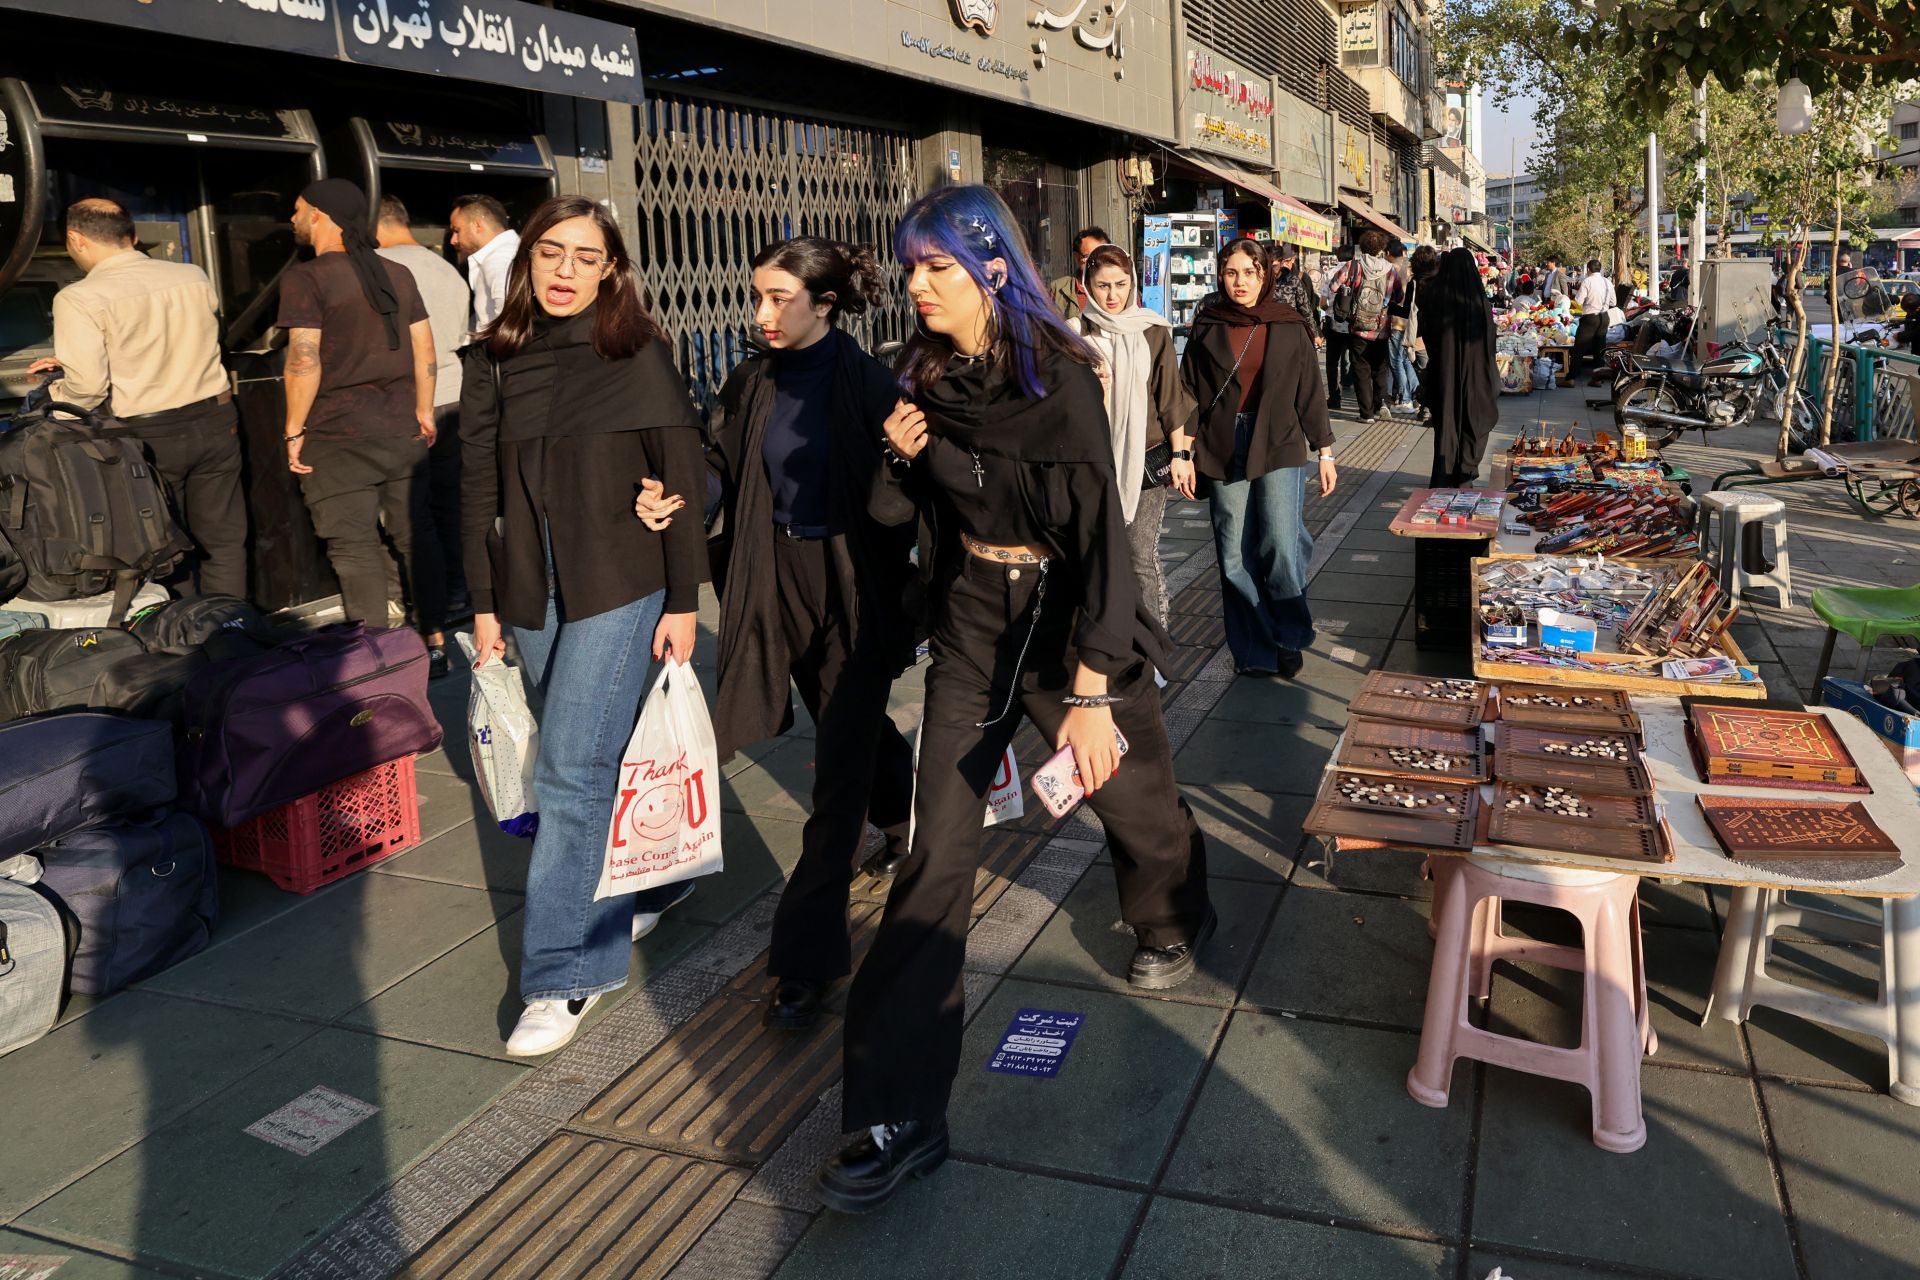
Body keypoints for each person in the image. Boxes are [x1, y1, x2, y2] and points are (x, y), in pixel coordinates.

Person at [818, 185, 1213, 1212]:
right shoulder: (923, 374)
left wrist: (1089, 690)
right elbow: (899, 509)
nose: (915, 287)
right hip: (970, 620)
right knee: (935, 848)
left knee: (1136, 797)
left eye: (935, 268)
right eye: (909, 269)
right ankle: (899, 1108)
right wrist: (904, 455)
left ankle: (1170, 910)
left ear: (992, 267)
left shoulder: (1066, 383)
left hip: (1069, 615)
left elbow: (1104, 549)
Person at [634, 237, 920, 1031]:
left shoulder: (867, 380)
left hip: (851, 588)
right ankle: (906, 809)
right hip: (769, 580)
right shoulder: (751, 377)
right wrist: (682, 496)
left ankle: (805, 959)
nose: (760, 313)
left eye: (778, 298)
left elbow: (908, 488)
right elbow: (719, 460)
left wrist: (900, 462)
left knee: (833, 783)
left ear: (824, 305)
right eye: (755, 296)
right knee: (850, 726)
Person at [461, 195, 710, 1057]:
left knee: (570, 771)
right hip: (529, 591)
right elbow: (477, 491)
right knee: (583, 766)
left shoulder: (637, 353)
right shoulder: (494, 359)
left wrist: (684, 599)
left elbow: (684, 476)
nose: (566, 271)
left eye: (586, 257)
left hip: (621, 583)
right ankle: (652, 882)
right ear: (527, 258)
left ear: (612, 270)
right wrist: (484, 607)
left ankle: (566, 973)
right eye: (551, 253)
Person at [29, 198, 248, 600]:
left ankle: (186, 644)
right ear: (130, 236)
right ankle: (232, 633)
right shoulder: (193, 275)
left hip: (149, 435)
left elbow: (89, 389)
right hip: (216, 421)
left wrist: (53, 389)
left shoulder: (79, 297)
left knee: (163, 545)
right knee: (224, 541)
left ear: (75, 239)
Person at [278, 179, 448, 673]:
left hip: (336, 434)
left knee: (354, 549)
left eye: (298, 209)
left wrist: (294, 427)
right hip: (401, 430)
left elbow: (303, 359)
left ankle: (378, 657)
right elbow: (426, 348)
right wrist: (424, 408)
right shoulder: (397, 273)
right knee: (418, 537)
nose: (293, 219)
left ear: (321, 215)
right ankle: (435, 642)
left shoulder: (306, 279)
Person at [1181, 237, 1337, 679]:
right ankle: (1253, 647)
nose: (1240, 282)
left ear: (1266, 273)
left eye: (1249, 273)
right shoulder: (1208, 323)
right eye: (1231, 273)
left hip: (1279, 440)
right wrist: (1183, 450)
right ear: (1220, 276)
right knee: (1233, 552)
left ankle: (1289, 634)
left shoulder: (1287, 323)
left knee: (1281, 546)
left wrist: (1325, 451)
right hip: (1222, 443)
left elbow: (1310, 390)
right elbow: (1188, 392)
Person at [1075, 242, 1196, 627]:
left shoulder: (1153, 329)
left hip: (1146, 459)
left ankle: (1154, 643)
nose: (1112, 295)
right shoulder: (1073, 333)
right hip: (1091, 461)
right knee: (1096, 553)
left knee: (1139, 553)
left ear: (1133, 285)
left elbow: (1170, 397)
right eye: (1103, 285)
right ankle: (1106, 640)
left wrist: (1181, 457)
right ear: (1087, 285)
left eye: (1121, 284)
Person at [377, 194, 473, 619]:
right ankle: (458, 591)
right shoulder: (446, 268)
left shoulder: (381, 268)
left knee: (409, 508)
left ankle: (421, 593)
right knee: (450, 502)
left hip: (413, 401)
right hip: (454, 396)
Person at [1417, 248, 1501, 488]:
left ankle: (1444, 477)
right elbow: (1490, 339)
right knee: (1473, 420)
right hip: (1476, 376)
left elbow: (1426, 330)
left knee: (1446, 426)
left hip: (1444, 374)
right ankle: (1466, 471)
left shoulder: (1435, 295)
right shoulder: (1478, 300)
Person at [1331, 230, 1402, 424]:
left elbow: (1334, 286)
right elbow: (1399, 297)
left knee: (1360, 369)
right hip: (1381, 327)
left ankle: (1366, 413)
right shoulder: (1390, 270)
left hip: (1358, 326)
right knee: (1380, 367)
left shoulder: (1353, 266)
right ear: (1381, 248)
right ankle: (1383, 403)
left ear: (1362, 247)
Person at [448, 194, 519, 332]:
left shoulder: (500, 259)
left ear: (477, 225)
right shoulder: (506, 253)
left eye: (457, 230)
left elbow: (512, 321)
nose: (453, 240)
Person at [1385, 240, 1420, 414]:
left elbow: (1390, 296)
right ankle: (1418, 395)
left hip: (1397, 320)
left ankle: (1405, 399)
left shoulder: (1393, 269)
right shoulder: (1412, 268)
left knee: (1395, 360)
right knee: (1405, 359)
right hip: (1411, 322)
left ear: (1389, 252)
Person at [1048, 226, 1109, 318]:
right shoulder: (1058, 289)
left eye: (1102, 255)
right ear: (1077, 257)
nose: (1098, 261)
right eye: (1089, 256)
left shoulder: (1123, 288)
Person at [1269, 242, 1322, 346]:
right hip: (1268, 333)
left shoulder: (1293, 281)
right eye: (1268, 266)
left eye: (1274, 266)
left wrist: (1315, 334)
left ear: (1281, 262)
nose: (1271, 270)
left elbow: (1306, 310)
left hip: (1291, 331)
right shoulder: (1261, 282)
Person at [1319, 248, 1352, 410]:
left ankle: (1334, 397)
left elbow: (1322, 303)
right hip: (1354, 325)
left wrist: (1330, 309)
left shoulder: (1328, 274)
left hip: (1333, 324)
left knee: (1332, 363)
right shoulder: (1356, 272)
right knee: (1356, 360)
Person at [1572, 257, 1613, 378]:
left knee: (1579, 347)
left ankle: (1572, 377)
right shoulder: (1607, 282)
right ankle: (1598, 378)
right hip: (1604, 317)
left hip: (1590, 317)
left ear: (1589, 269)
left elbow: (1579, 301)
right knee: (1599, 349)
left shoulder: (1587, 281)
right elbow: (1613, 301)